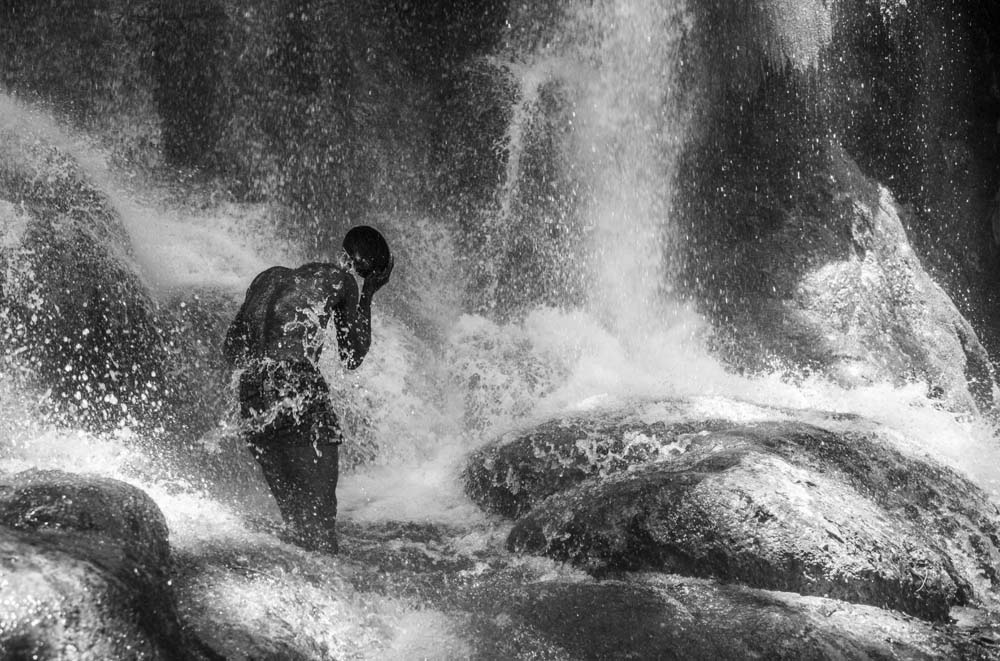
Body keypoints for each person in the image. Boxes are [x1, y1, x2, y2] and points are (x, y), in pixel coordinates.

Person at [222, 225, 392, 552]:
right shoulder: (340, 280)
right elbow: (352, 355)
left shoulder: (267, 278)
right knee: (321, 515)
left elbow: (231, 350)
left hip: (251, 390)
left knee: (295, 516)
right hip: (295, 380)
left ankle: (298, 586)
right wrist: (369, 292)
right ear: (367, 268)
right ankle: (331, 595)